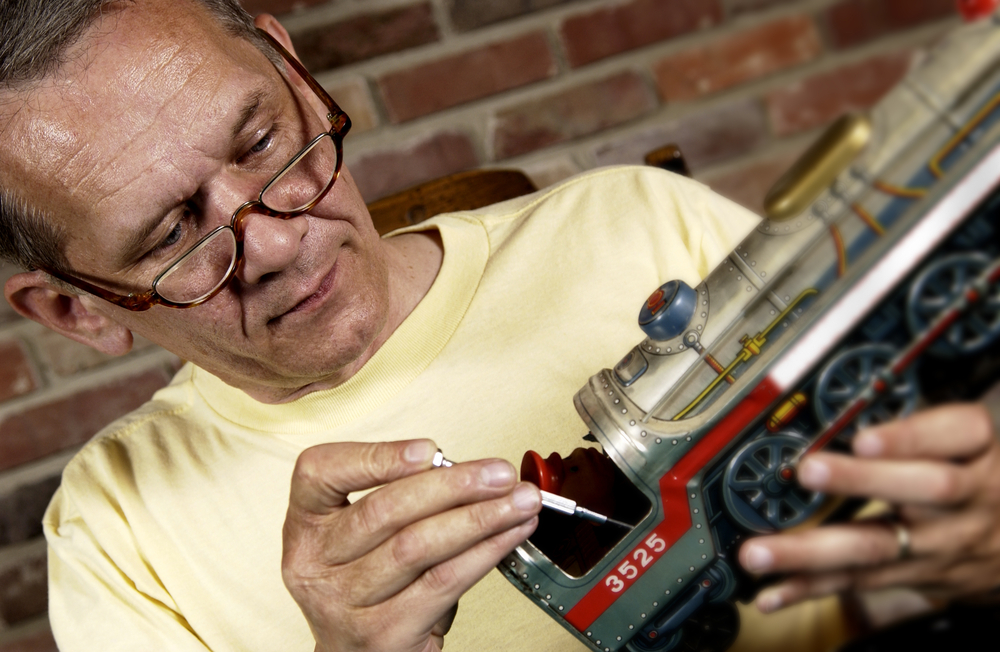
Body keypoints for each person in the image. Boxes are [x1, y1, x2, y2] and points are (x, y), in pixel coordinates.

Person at [0, 1, 997, 651]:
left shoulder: (637, 219)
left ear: (296, 71)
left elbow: (921, 509)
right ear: (73, 308)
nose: (271, 238)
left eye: (263, 139)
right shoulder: (116, 532)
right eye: (174, 234)